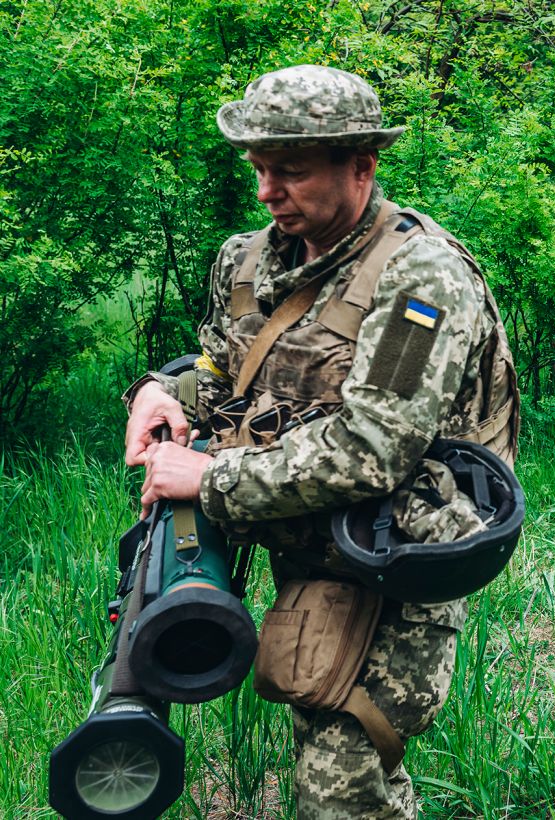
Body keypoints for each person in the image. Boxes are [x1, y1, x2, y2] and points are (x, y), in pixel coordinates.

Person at [122, 64, 519, 817]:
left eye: (292, 173)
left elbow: (375, 446)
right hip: (301, 528)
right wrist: (159, 390)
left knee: (343, 786)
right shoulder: (253, 257)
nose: (269, 191)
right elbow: (223, 362)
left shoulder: (420, 286)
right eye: (261, 169)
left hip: (389, 554)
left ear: (361, 168)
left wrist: (206, 479)